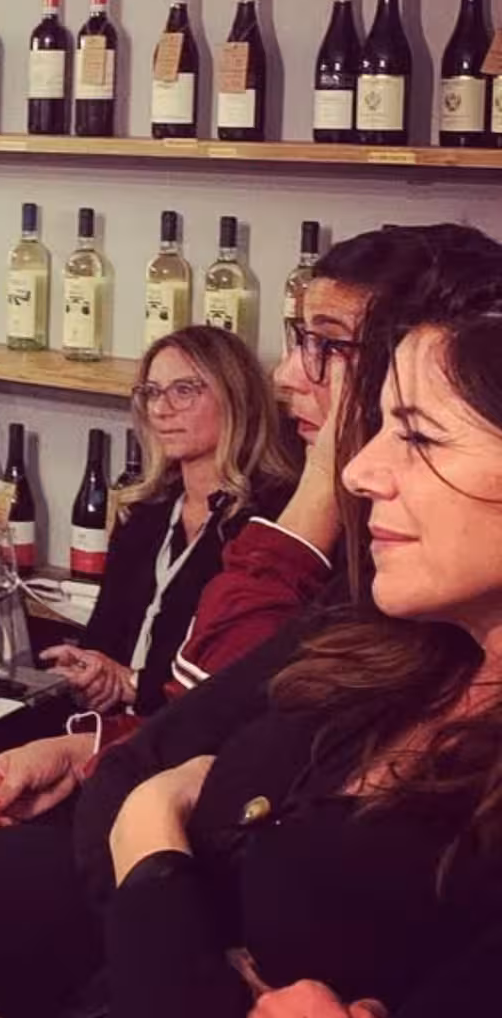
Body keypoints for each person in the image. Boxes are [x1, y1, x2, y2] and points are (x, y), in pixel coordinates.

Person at [0, 225, 500, 1018]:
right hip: (122, 888)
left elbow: (183, 726)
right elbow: (167, 738)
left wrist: (156, 850)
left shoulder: (346, 555)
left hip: (125, 915)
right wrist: (111, 762)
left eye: (418, 432)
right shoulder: (385, 633)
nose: (291, 376)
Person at [98, 262, 502, 1018]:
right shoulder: (392, 647)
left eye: (417, 435)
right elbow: (149, 757)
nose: (358, 470)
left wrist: (153, 837)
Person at [38, 324, 298, 719]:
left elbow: (244, 673)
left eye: (184, 390)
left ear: (237, 398)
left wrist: (133, 685)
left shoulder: (270, 519)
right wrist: (88, 671)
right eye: (152, 392)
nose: (160, 409)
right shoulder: (144, 512)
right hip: (104, 732)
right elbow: (102, 637)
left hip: (192, 742)